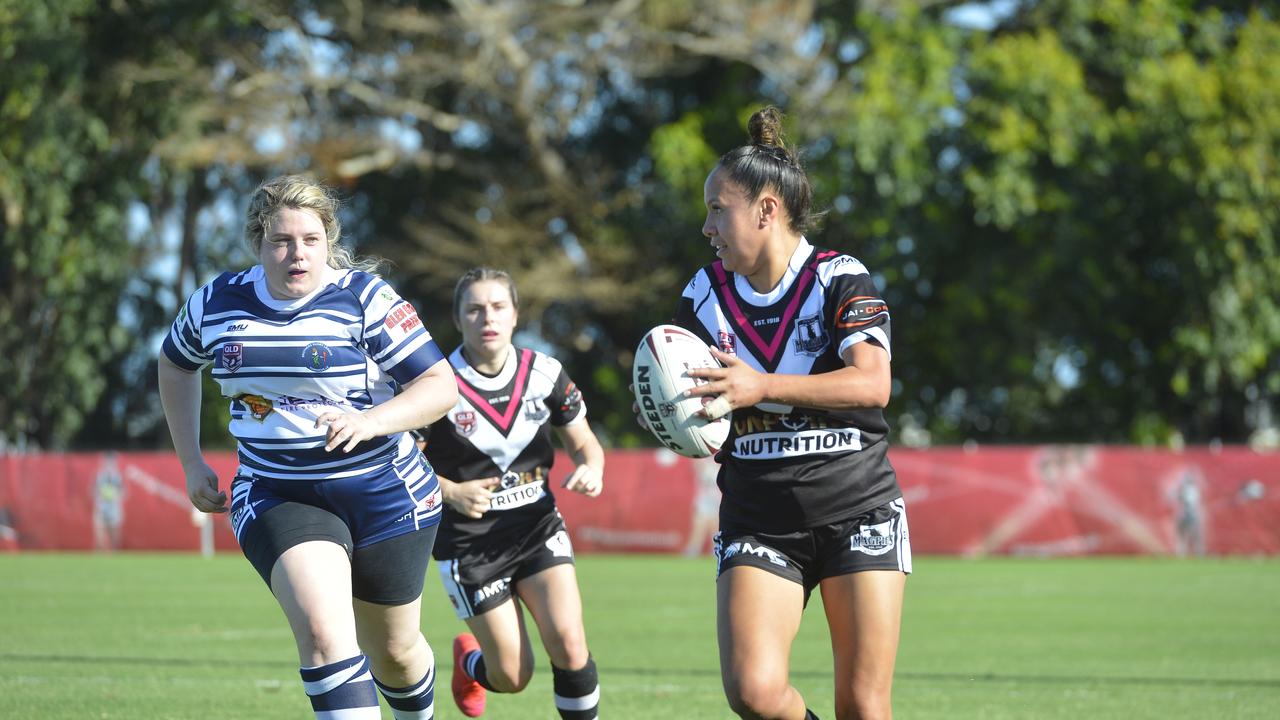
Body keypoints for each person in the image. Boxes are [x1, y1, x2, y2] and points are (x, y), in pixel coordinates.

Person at [157, 175, 457, 720]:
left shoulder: (364, 298)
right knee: (324, 637)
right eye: (281, 241)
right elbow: (175, 362)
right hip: (278, 492)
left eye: (311, 240)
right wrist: (191, 461)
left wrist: (370, 421)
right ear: (258, 243)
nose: (297, 254)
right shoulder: (218, 302)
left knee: (394, 653)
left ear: (329, 241)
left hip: (387, 492)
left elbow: (440, 385)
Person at [673, 107, 911, 720]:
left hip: (857, 508)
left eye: (716, 208)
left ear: (766, 210)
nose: (707, 226)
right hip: (759, 516)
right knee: (753, 693)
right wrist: (671, 413)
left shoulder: (840, 277)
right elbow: (693, 403)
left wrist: (762, 387)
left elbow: (873, 383)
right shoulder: (702, 296)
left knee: (862, 705)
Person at [420, 267, 604, 719]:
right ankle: (470, 661)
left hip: (537, 527)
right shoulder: (435, 384)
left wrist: (591, 468)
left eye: (499, 307)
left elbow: (584, 444)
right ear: (458, 317)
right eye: (476, 309)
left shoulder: (545, 373)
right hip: (470, 544)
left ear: (516, 315)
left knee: (570, 643)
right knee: (512, 676)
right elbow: (402, 464)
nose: (488, 318)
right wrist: (451, 492)